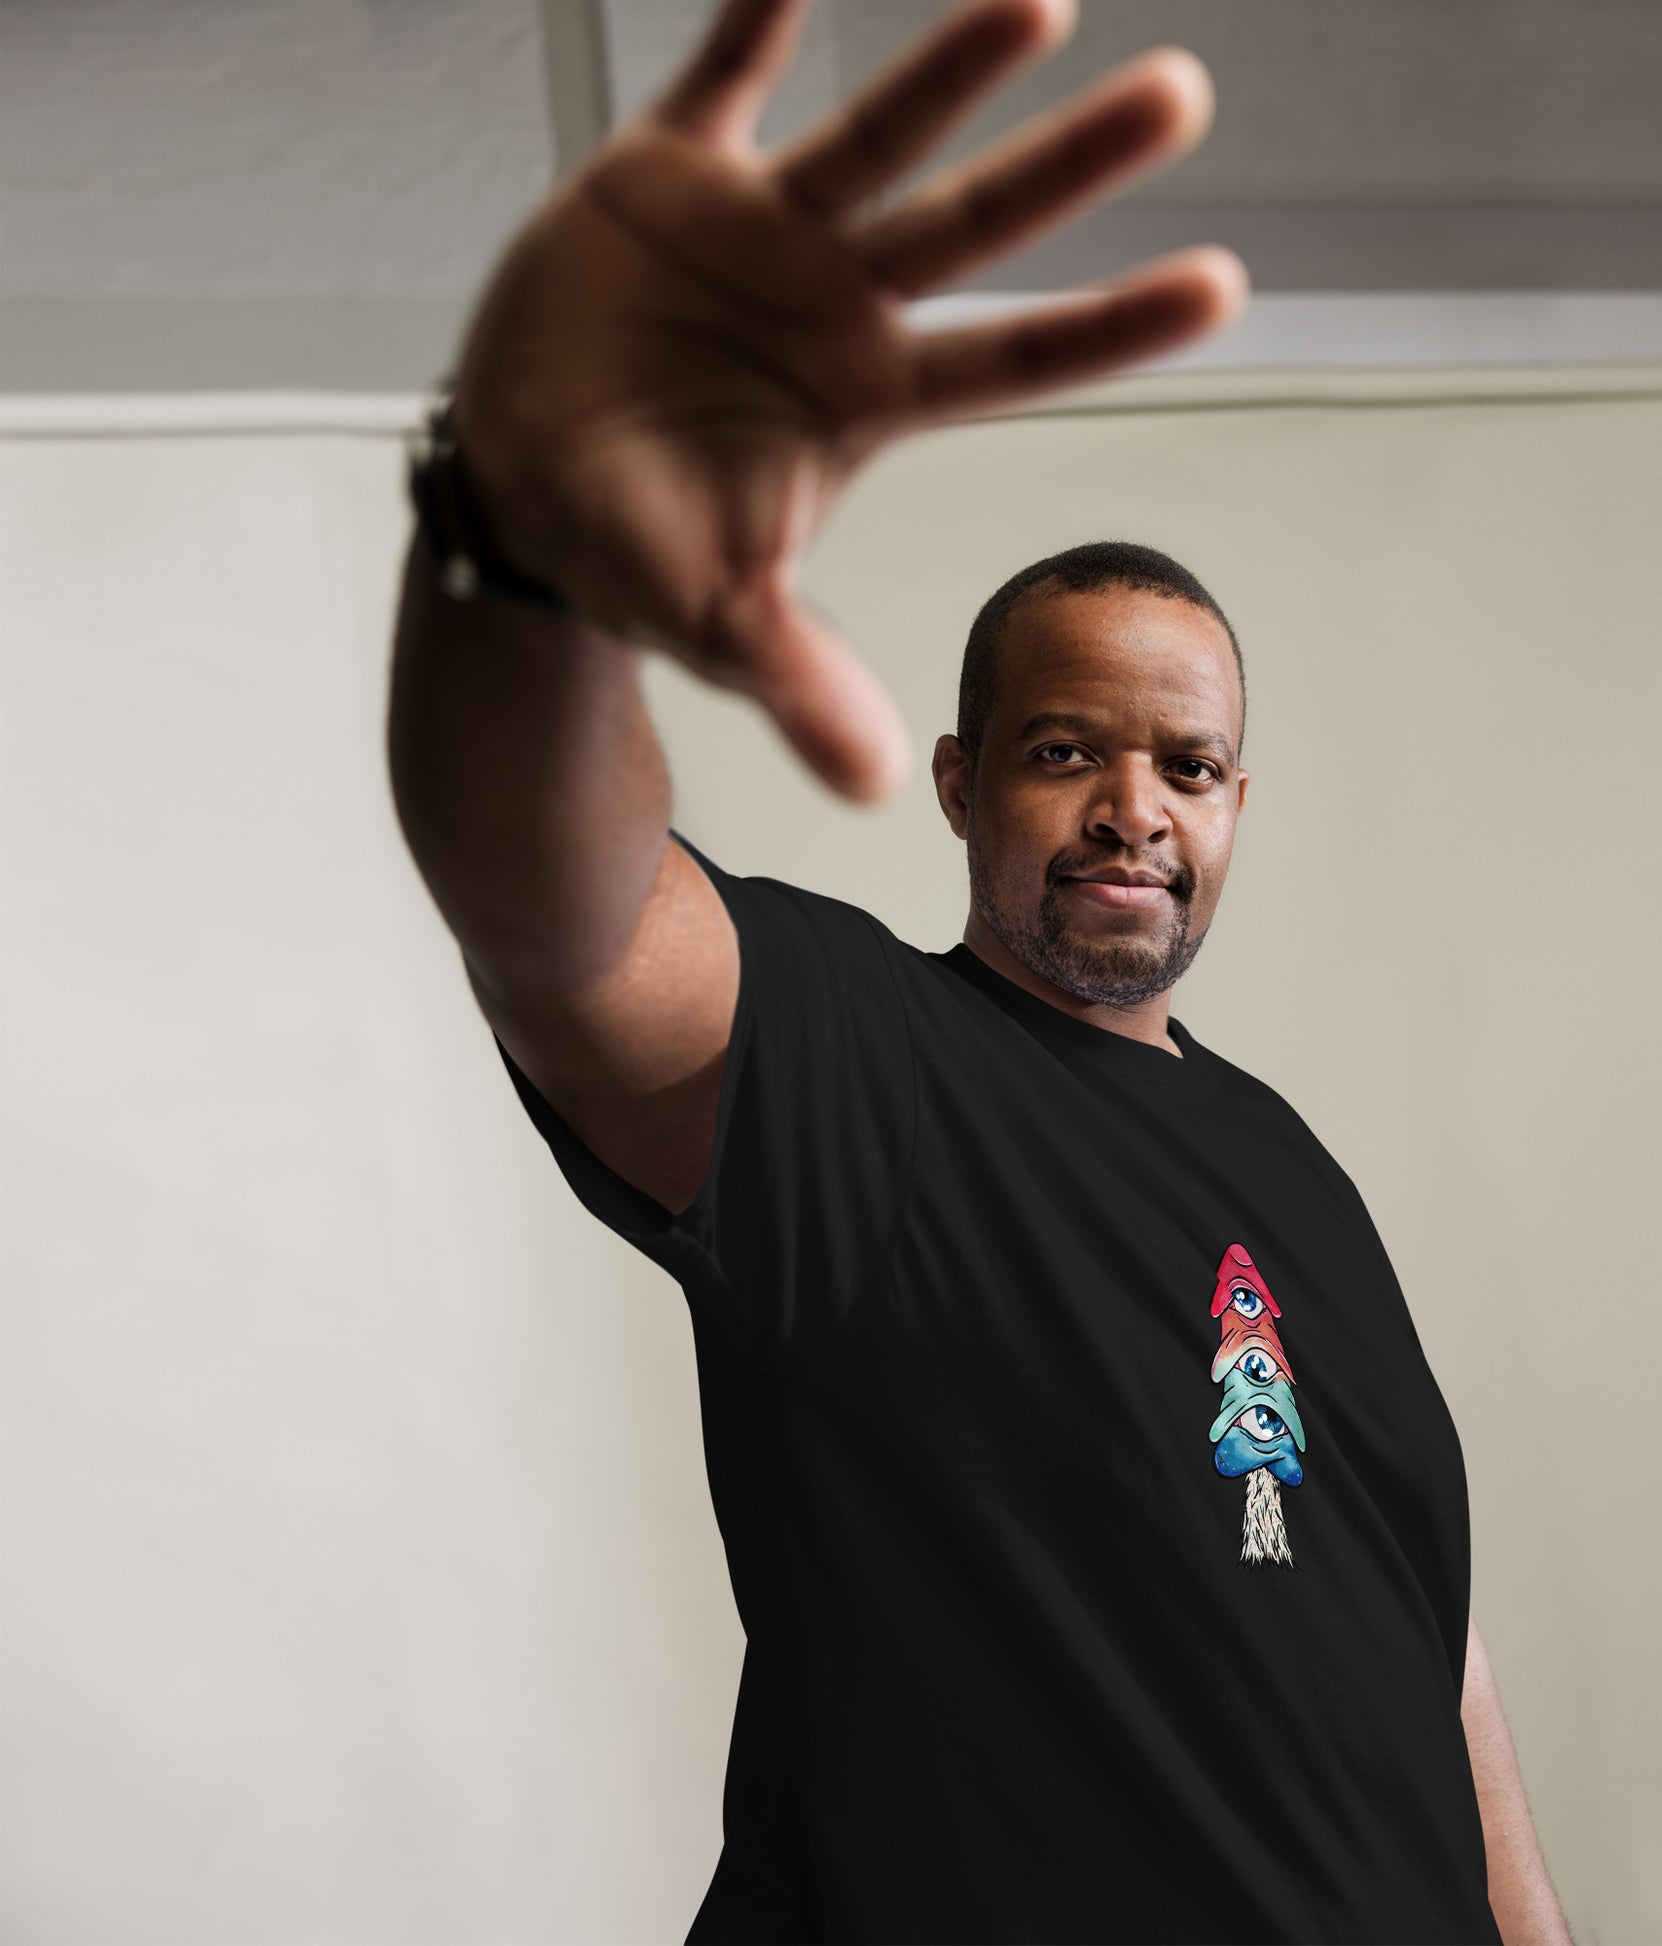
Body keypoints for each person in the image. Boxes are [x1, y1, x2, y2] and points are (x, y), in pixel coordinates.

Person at [386, 0, 1572, 1939]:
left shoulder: (1293, 1166)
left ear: (1237, 802)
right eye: (1061, 750)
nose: (1132, 806)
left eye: (1184, 766)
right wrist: (526, 550)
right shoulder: (875, 1067)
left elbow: (1427, 1641)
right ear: (959, 782)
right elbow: (566, 926)